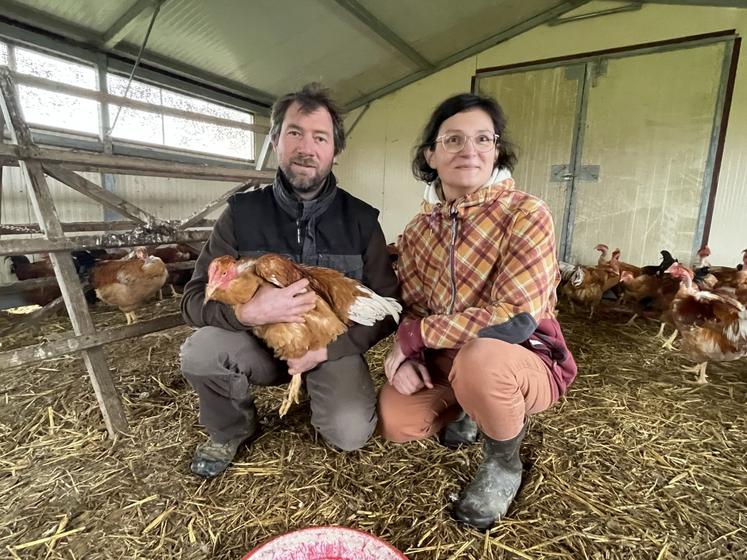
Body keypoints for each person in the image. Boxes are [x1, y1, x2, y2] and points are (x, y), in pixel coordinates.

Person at [378, 93, 577, 530]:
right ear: (431, 154)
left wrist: (417, 336)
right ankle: (470, 406)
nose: (469, 150)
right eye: (452, 140)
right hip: (450, 356)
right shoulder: (417, 229)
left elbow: (516, 316)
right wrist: (407, 349)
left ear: (496, 150)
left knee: (482, 360)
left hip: (517, 354)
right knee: (398, 421)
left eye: (482, 139)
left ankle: (503, 463)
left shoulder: (526, 212)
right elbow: (412, 306)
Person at [180, 83, 399, 478]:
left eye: (320, 137)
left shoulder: (362, 221)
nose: (306, 147)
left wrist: (327, 353)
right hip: (259, 345)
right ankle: (233, 428)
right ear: (276, 141)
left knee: (349, 433)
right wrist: (247, 313)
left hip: (329, 346)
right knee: (200, 352)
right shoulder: (242, 214)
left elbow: (387, 307)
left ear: (335, 151)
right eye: (294, 133)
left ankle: (320, 394)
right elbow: (193, 299)